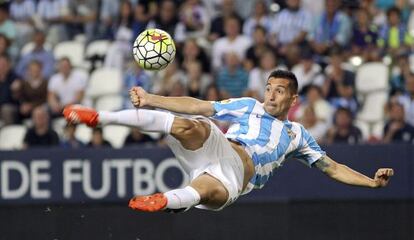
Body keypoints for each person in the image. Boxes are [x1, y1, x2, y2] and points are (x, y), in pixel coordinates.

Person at [63, 70, 394, 213]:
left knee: (208, 192)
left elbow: (332, 168)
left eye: (279, 91)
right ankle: (100, 117)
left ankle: (166, 200)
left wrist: (371, 184)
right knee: (197, 125)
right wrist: (150, 97)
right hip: (221, 148)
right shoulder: (249, 106)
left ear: (293, 99)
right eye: (269, 87)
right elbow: (199, 105)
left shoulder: (297, 135)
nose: (271, 94)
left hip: (236, 177)